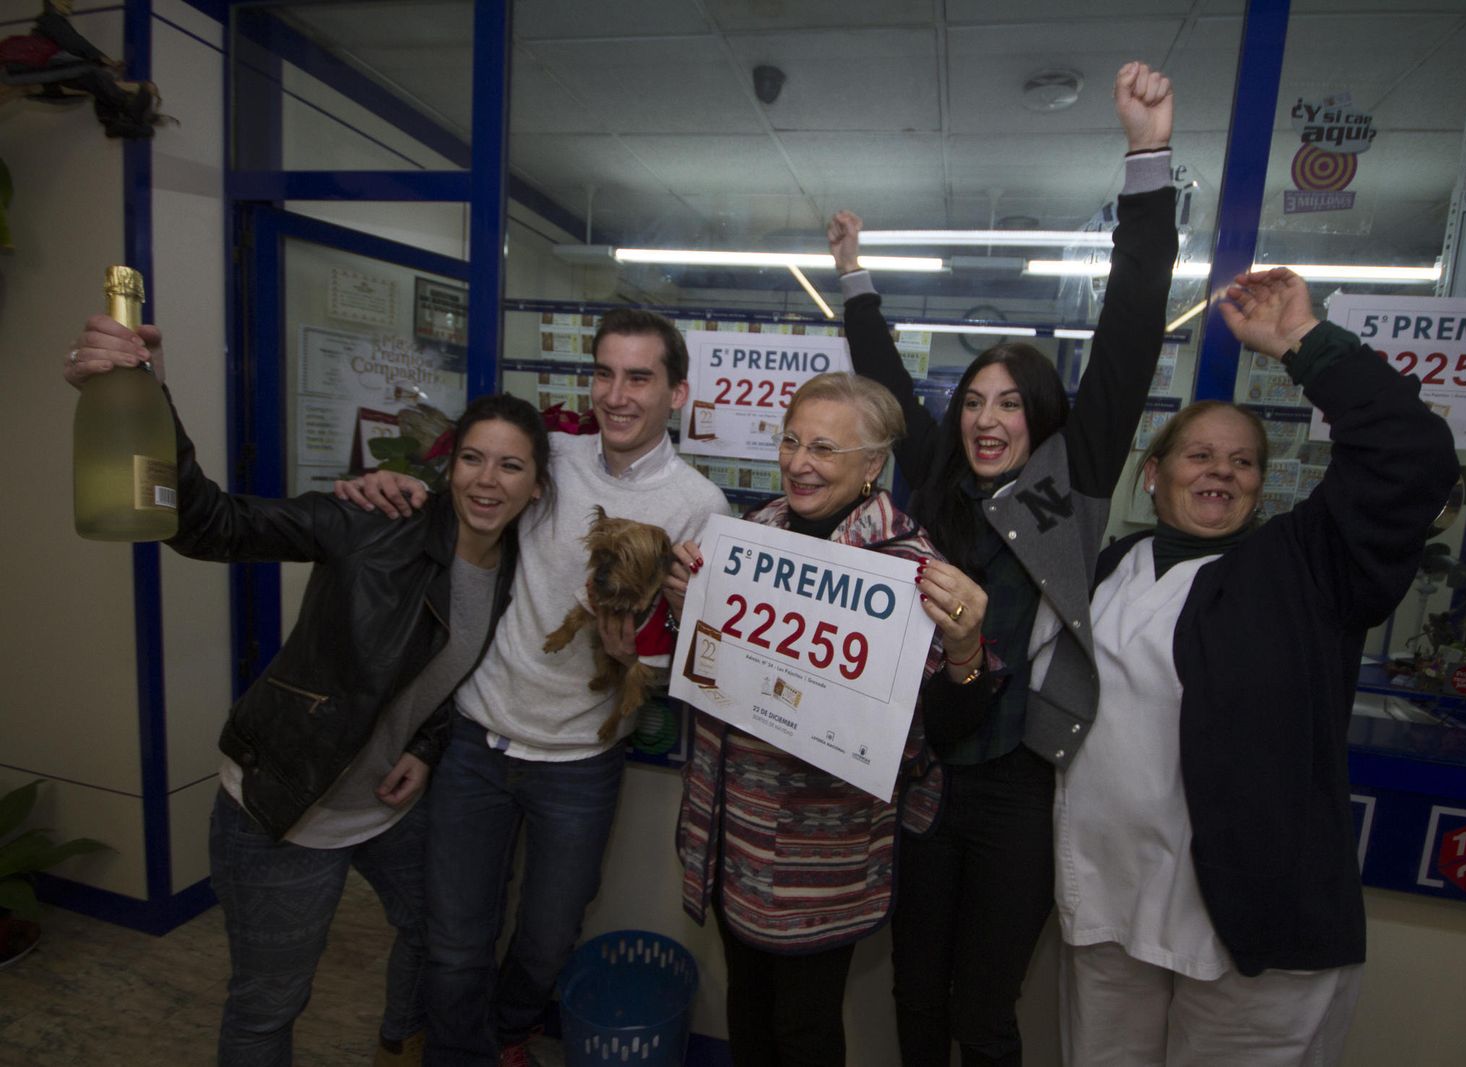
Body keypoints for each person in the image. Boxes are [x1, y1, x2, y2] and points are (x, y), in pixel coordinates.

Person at [64, 317, 552, 1067]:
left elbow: (438, 674)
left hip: (386, 807)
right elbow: (208, 524)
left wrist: (423, 746)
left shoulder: (515, 568)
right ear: (447, 466)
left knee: (443, 930)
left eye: (511, 467)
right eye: (473, 459)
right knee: (269, 1004)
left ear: (536, 485)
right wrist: (144, 393)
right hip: (285, 802)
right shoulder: (374, 520)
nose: (488, 481)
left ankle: (402, 1037)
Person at [826, 60, 1177, 1065]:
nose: (987, 420)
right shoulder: (937, 473)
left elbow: (1130, 327)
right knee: (914, 990)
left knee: (987, 1007)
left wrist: (1146, 156)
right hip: (927, 771)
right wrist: (853, 273)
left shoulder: (1078, 469)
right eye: (975, 401)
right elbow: (884, 377)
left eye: (1009, 402)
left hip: (1022, 784)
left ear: (1041, 415)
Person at [1059, 268, 1458, 1064]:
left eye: (1242, 463)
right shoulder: (1113, 565)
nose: (1220, 471)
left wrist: (1305, 346)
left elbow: (1410, 457)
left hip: (1250, 924)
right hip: (1107, 905)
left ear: (1261, 484)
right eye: (1199, 454)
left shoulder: (1303, 569)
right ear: (1155, 473)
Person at [336, 308, 729, 1067]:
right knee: (454, 938)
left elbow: (699, 648)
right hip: (477, 740)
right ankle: (459, 1054)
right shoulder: (547, 455)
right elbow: (461, 492)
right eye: (604, 373)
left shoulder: (700, 506)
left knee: (549, 937)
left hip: (582, 758)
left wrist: (646, 653)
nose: (616, 394)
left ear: (676, 394)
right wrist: (386, 484)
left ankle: (510, 1030)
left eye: (639, 377)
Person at [668, 372, 995, 1067]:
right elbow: (714, 672)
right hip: (733, 833)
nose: (798, 462)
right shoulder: (748, 534)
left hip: (822, 859)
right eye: (790, 440)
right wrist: (684, 607)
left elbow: (944, 720)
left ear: (873, 465)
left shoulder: (908, 569)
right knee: (747, 1015)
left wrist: (966, 647)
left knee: (805, 1030)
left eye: (823, 447)